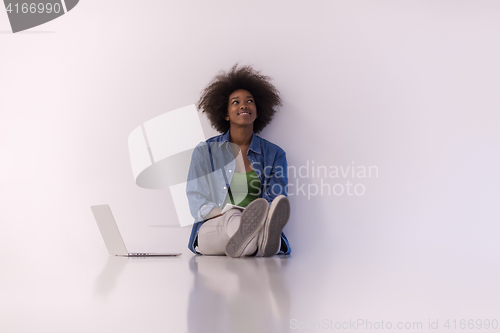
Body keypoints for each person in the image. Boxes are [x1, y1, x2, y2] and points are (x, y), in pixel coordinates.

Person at [186, 64, 291, 257]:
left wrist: (260, 216)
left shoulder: (275, 154)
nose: (244, 105)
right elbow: (196, 202)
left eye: (249, 101)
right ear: (225, 113)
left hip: (256, 225)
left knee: (249, 232)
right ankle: (263, 243)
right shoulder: (205, 152)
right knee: (233, 217)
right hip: (212, 230)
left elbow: (275, 200)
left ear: (258, 111)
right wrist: (229, 213)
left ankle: (252, 242)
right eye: (235, 102)